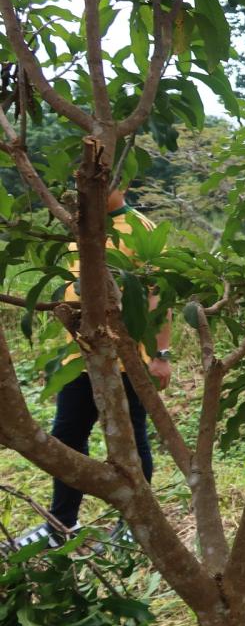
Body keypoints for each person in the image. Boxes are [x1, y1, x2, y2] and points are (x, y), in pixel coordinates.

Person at [9, 189, 172, 550]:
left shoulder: (139, 228)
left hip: (128, 359)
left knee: (131, 440)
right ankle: (60, 524)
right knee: (67, 435)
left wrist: (161, 353)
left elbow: (159, 295)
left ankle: (135, 525)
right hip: (79, 356)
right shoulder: (80, 229)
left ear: (122, 182)